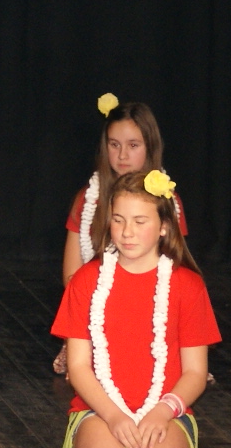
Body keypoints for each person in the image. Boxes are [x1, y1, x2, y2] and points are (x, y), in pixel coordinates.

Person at [47, 170, 231, 448]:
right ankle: (93, 447)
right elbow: (78, 367)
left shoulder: (188, 286)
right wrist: (113, 416)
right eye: (118, 220)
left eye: (140, 221)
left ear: (164, 226)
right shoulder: (86, 281)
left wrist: (163, 411)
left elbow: (195, 372)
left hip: (163, 409)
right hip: (100, 408)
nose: (127, 232)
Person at [56, 93, 189, 375]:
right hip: (97, 310)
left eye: (133, 145)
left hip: (152, 314)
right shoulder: (88, 199)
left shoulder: (168, 202)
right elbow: (72, 276)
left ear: (150, 147)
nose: (123, 155)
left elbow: (176, 271)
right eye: (114, 145)